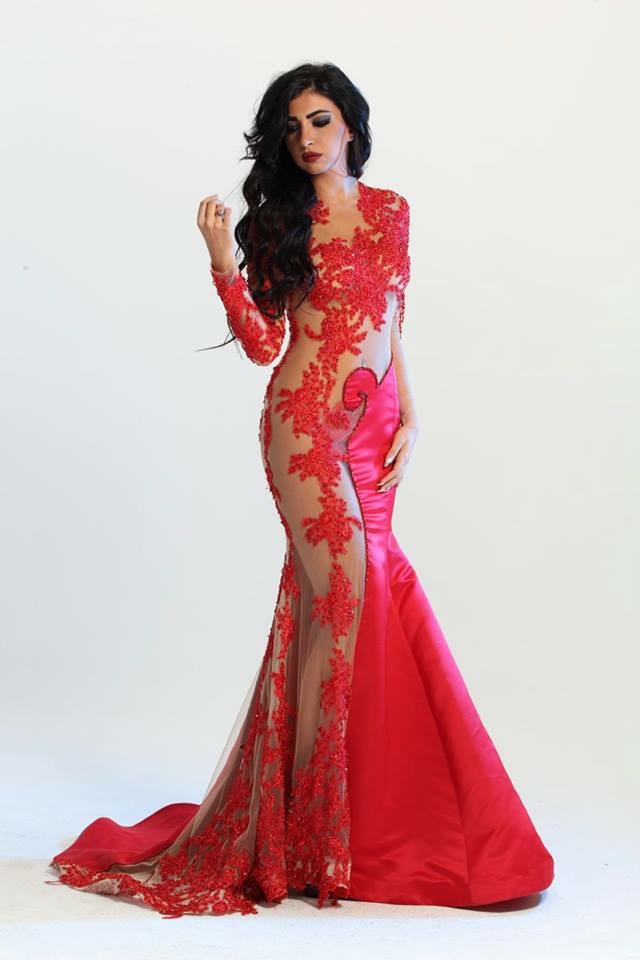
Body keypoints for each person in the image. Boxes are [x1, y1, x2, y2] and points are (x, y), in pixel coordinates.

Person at [46, 62, 554, 918]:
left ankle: (322, 822)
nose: (308, 140)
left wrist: (412, 412)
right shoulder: (283, 223)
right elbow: (261, 344)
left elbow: (392, 318)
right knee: (344, 601)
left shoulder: (392, 211)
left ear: (351, 123)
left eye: (320, 121)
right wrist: (222, 263)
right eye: (292, 128)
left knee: (338, 611)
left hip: (375, 430)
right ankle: (305, 834)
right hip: (305, 426)